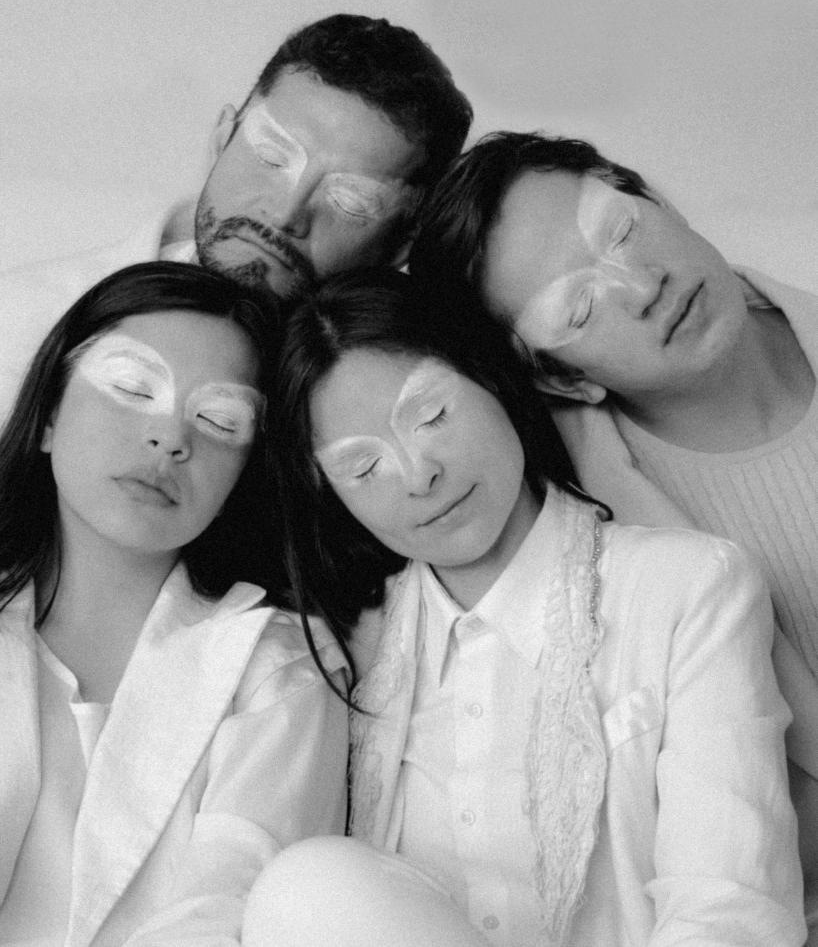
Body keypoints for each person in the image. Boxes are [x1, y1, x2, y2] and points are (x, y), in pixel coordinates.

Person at [241, 270, 804, 947]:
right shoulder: (348, 656)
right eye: (363, 469)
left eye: (433, 415)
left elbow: (732, 908)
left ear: (492, 378)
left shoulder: (686, 587)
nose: (419, 475)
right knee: (305, 885)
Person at [409, 130, 818, 921]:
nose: (643, 284)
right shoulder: (589, 540)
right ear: (563, 379)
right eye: (581, 307)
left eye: (623, 229)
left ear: (655, 199)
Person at [0, 262, 349, 946]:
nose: (171, 439)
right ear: (47, 417)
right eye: (133, 388)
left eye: (220, 420)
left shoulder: (276, 668)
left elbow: (229, 911)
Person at [0, 13, 472, 422]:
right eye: (271, 155)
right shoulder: (17, 325)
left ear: (401, 247)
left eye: (350, 201)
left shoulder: (413, 408)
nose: (284, 214)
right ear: (222, 139)